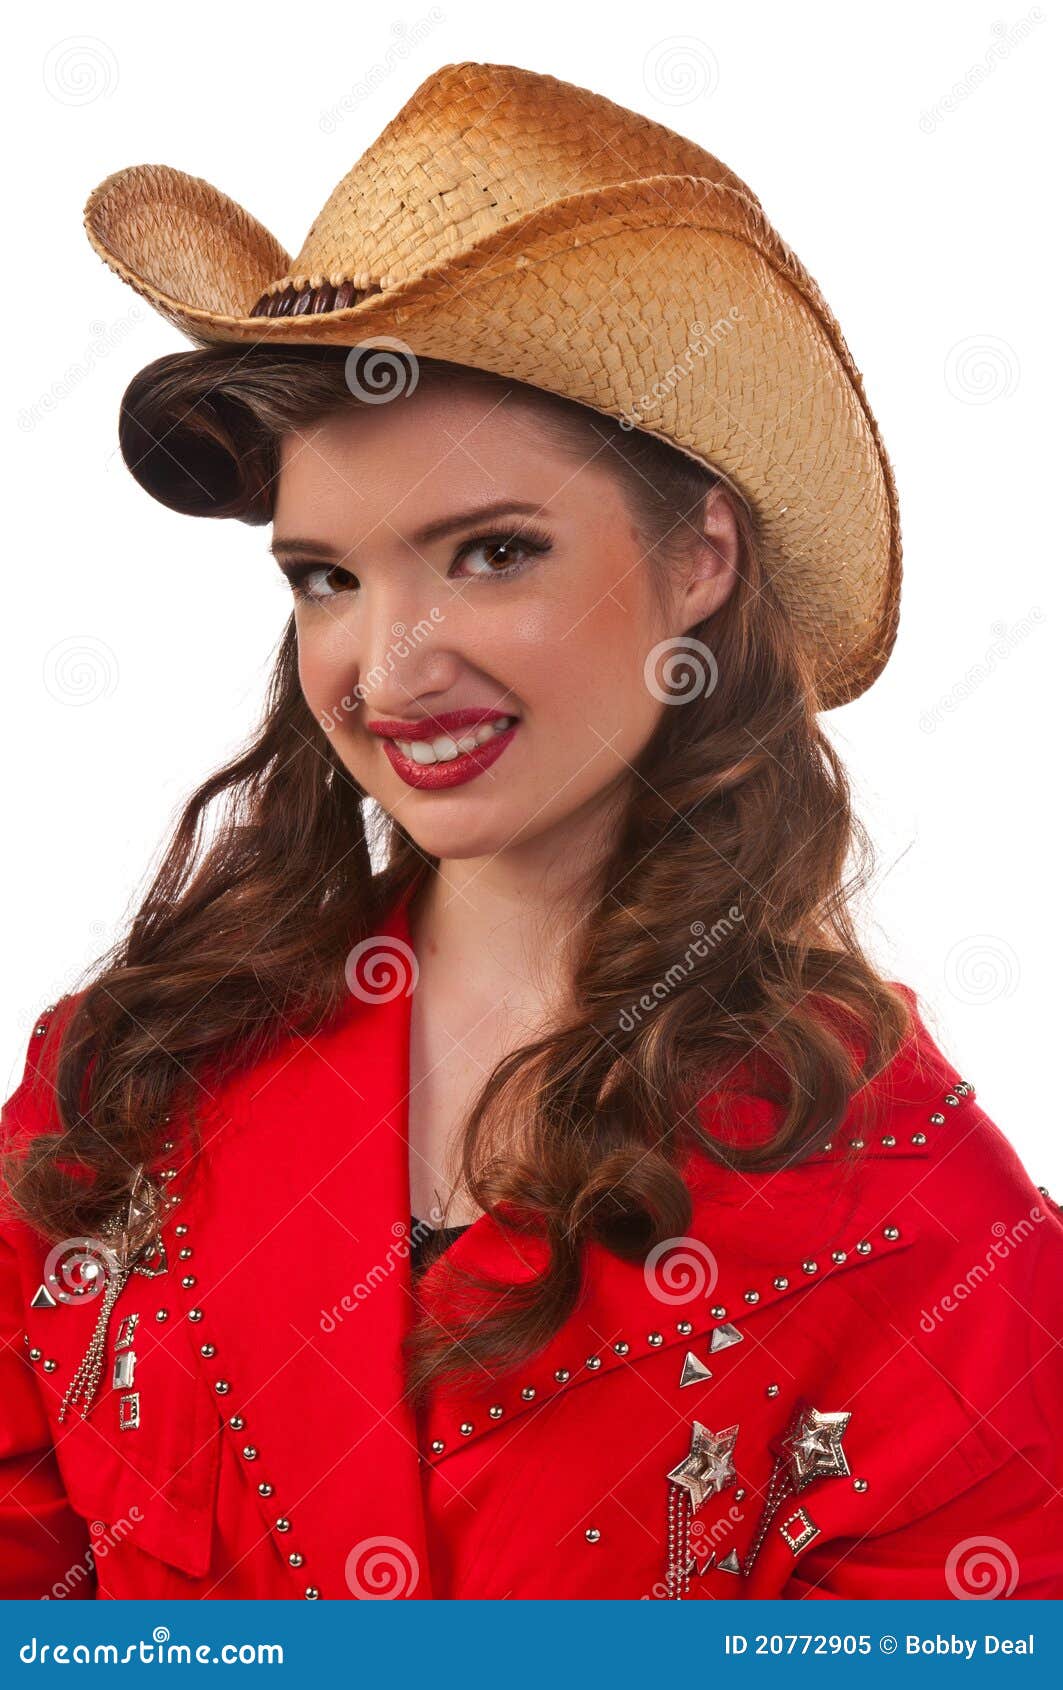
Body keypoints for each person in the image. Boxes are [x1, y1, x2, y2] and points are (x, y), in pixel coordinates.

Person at [1, 59, 1060, 1603]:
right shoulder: (126, 1071)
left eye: (492, 553)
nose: (388, 671)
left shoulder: (921, 1216)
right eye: (326, 577)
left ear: (699, 559)